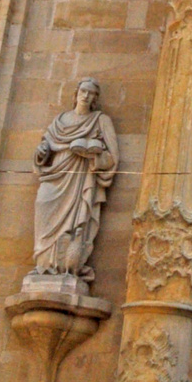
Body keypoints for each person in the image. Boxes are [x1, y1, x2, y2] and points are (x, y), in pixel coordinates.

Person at [31, 77, 118, 284]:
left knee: (74, 226)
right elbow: (45, 147)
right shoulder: (59, 120)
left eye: (91, 93)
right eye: (83, 92)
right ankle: (43, 265)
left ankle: (65, 268)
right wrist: (41, 152)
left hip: (80, 179)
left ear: (95, 98)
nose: (86, 96)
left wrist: (92, 154)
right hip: (54, 175)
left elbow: (112, 158)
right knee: (43, 207)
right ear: (76, 94)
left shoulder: (100, 121)